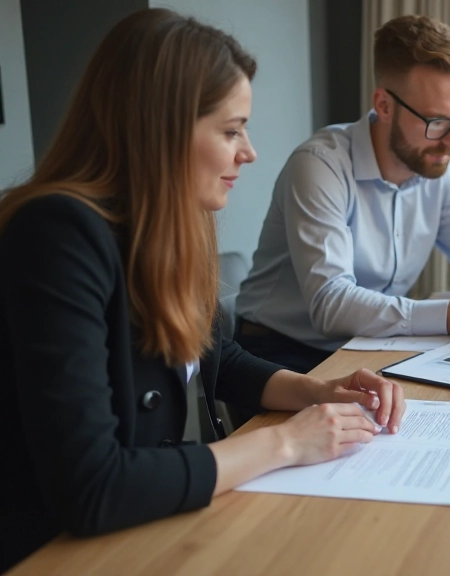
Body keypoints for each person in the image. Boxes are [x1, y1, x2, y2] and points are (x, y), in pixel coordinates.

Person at [0, 10, 405, 571]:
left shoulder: (171, 226)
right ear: (160, 129)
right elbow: (92, 486)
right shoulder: (56, 236)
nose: (249, 152)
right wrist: (285, 443)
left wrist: (318, 393)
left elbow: (217, 357)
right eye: (231, 130)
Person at [234, 15, 450, 373]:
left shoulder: (436, 167)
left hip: (371, 346)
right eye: (437, 122)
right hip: (279, 353)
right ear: (384, 106)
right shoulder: (319, 166)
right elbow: (331, 305)